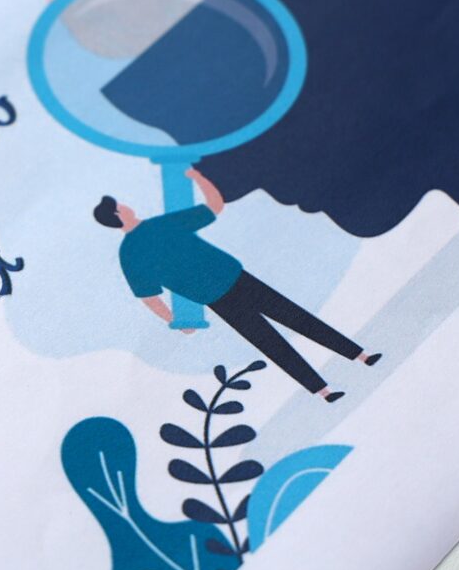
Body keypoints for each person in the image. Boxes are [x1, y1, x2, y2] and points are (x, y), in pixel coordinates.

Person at [93, 168, 381, 402]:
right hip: (227, 285)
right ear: (119, 215)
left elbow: (149, 296)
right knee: (289, 323)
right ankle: (351, 363)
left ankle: (333, 380)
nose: (125, 206)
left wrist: (176, 320)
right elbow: (214, 206)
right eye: (119, 206)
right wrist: (198, 178)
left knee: (272, 337)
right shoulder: (149, 236)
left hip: (224, 287)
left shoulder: (133, 249)